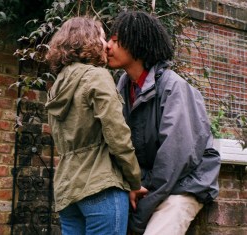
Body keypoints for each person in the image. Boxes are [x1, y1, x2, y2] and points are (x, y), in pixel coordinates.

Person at [107, 11, 221, 235]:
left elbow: (175, 160)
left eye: (115, 40)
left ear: (136, 44)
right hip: (149, 185)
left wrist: (140, 206)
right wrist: (132, 184)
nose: (107, 46)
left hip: (185, 184)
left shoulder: (174, 88)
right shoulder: (122, 87)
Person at [45, 17, 145, 235]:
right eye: (101, 36)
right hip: (100, 186)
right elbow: (117, 135)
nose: (106, 44)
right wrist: (135, 181)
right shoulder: (97, 77)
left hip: (67, 191)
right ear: (89, 41)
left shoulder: (58, 84)